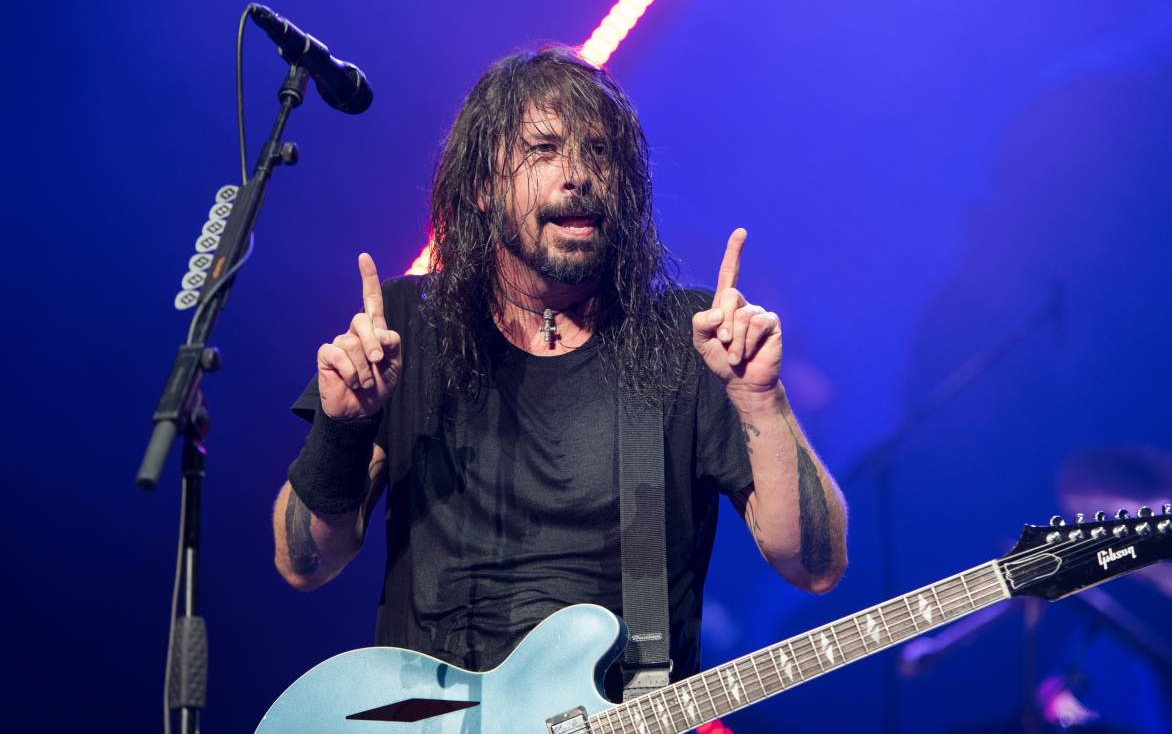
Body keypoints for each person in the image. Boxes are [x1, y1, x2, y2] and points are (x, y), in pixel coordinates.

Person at [271, 45, 848, 696]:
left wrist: (759, 398)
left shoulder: (687, 338)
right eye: (544, 149)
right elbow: (306, 560)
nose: (578, 174)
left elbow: (816, 565)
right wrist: (343, 428)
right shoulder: (411, 327)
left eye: (600, 152)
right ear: (484, 186)